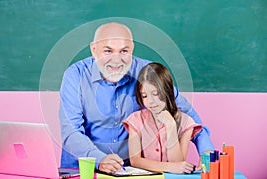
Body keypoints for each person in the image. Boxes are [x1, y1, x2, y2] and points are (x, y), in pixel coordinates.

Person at [59, 22, 214, 173]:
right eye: (108, 51)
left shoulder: (147, 72)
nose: (116, 60)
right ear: (94, 50)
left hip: (131, 171)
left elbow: (184, 111)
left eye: (124, 51)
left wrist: (205, 149)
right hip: (82, 169)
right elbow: (71, 132)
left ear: (132, 49)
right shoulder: (75, 75)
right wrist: (100, 159)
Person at [123, 62, 202, 174]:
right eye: (144, 96)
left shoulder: (186, 123)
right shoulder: (135, 120)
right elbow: (135, 160)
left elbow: (178, 162)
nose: (150, 101)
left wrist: (170, 126)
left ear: (167, 91)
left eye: (155, 94)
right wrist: (168, 167)